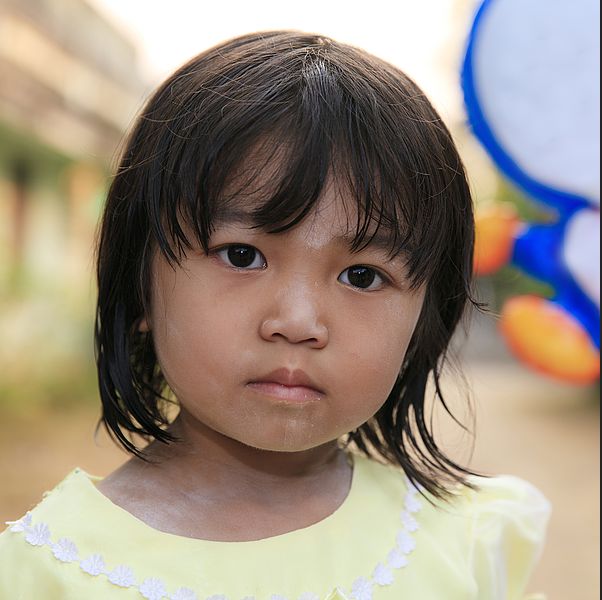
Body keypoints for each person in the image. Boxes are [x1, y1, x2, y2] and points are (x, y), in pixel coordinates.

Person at [0, 31, 550, 599]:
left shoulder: (467, 545)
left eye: (362, 276)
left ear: (422, 321)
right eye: (243, 255)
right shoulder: (45, 576)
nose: (297, 320)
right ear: (139, 285)